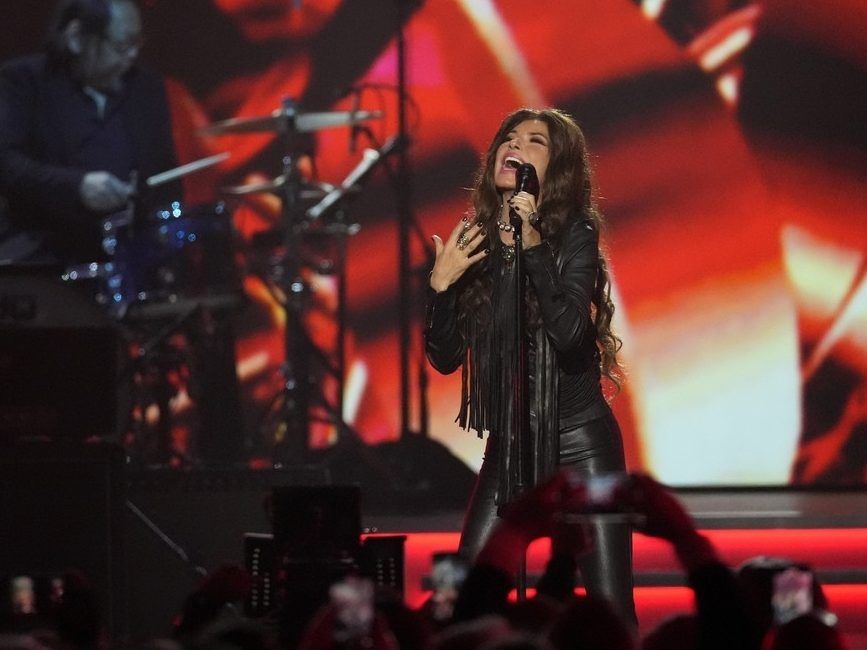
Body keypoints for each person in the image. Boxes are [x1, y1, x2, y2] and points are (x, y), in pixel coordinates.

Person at [425, 107, 635, 623]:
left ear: (555, 168)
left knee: (609, 606)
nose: (513, 146)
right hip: (509, 444)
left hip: (581, 442)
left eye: (533, 141)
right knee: (468, 595)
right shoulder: (473, 241)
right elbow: (446, 357)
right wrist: (440, 288)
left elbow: (569, 335)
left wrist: (535, 247)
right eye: (507, 138)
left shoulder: (575, 234)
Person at [0, 0, 181, 268]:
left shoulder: (146, 88)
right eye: (122, 45)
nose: (132, 55)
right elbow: (7, 164)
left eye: (136, 43)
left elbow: (166, 177)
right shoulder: (24, 82)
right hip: (44, 254)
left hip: (132, 254)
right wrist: (77, 187)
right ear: (76, 38)